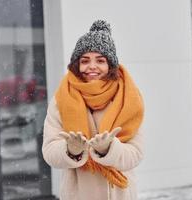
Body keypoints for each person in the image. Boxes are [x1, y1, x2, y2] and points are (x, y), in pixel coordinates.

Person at [42, 19, 144, 200]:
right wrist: (70, 150)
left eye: (100, 60)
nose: (92, 67)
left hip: (119, 194)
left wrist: (109, 149)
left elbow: (135, 154)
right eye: (85, 60)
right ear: (77, 65)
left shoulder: (129, 98)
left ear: (110, 65)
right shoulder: (61, 99)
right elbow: (50, 151)